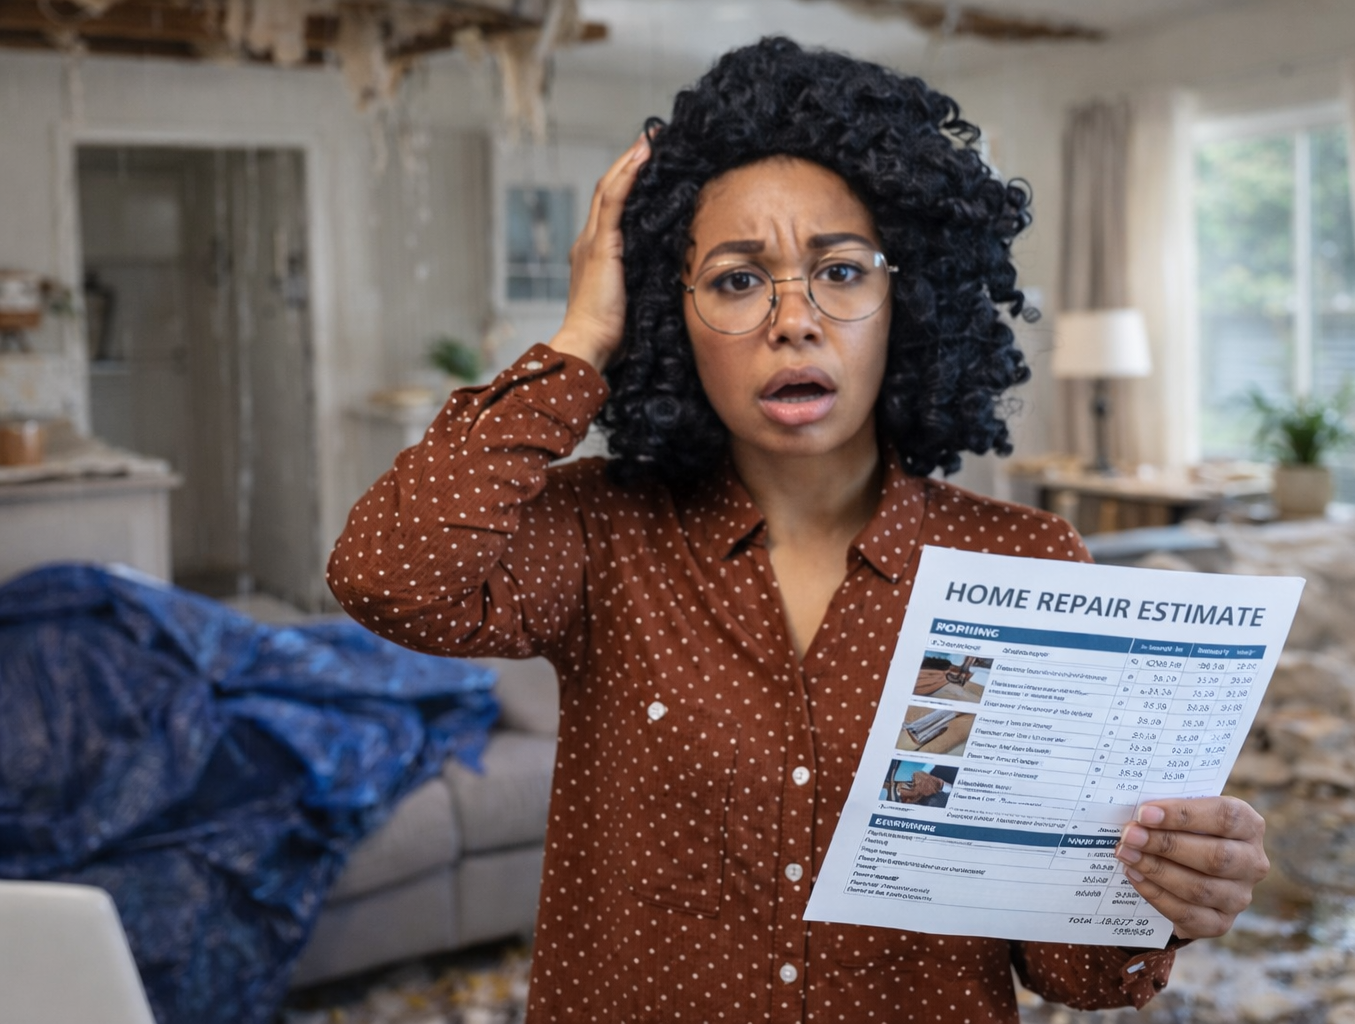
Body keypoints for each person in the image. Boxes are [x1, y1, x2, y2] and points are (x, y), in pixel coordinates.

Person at [328, 36, 1269, 1023]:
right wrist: (579, 341)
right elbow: (389, 575)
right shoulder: (601, 534)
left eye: (842, 271)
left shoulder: (1026, 562)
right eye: (737, 279)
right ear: (668, 314)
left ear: (908, 299)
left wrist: (1164, 888)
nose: (795, 319)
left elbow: (1072, 973)